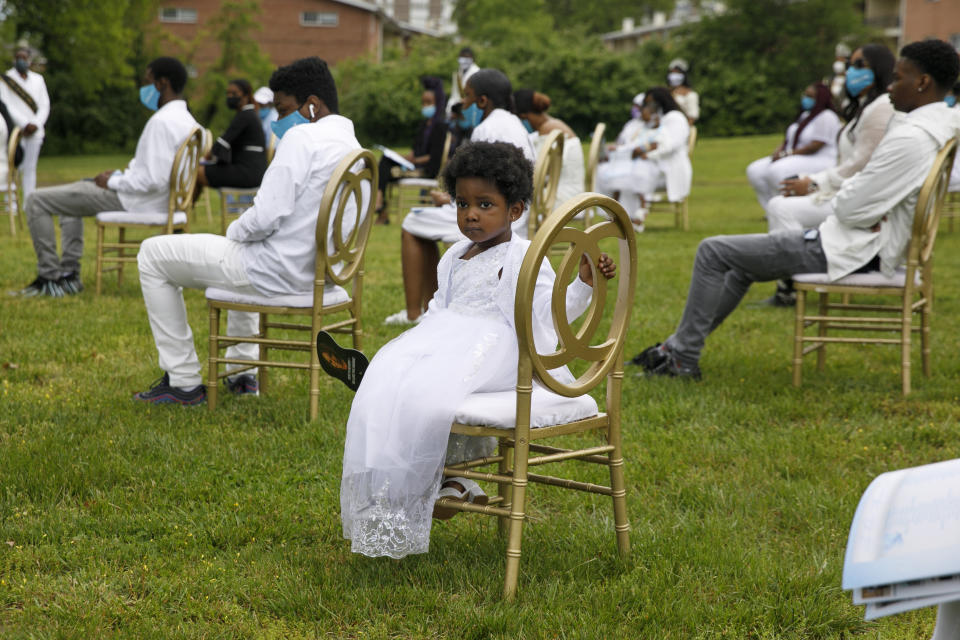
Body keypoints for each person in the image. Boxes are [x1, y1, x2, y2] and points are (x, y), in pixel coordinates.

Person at [340, 141, 617, 559]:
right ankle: (423, 487)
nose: (471, 214)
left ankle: (448, 479)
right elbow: (439, 309)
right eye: (463, 203)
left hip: (504, 349)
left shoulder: (523, 254)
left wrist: (583, 283)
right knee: (391, 381)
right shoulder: (453, 256)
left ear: (515, 210)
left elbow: (547, 314)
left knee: (434, 387)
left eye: (485, 204)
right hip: (452, 337)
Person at [629, 39, 960, 381]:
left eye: (899, 77)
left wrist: (844, 196)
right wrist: (850, 195)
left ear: (923, 82)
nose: (891, 85)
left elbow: (849, 210)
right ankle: (677, 349)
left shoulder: (911, 138)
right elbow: (864, 194)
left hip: (853, 249)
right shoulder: (936, 128)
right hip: (865, 243)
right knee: (742, 263)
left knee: (713, 251)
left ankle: (680, 357)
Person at [132, 57, 359, 405]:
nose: (278, 121)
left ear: (312, 106)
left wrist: (235, 231)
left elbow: (264, 216)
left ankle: (183, 383)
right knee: (239, 257)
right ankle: (242, 374)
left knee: (152, 254)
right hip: (322, 277)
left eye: (283, 110)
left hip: (276, 272)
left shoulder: (303, 138)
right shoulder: (355, 148)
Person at [14, 56, 197, 298]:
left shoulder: (161, 122)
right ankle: (69, 276)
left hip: (136, 201)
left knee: (37, 200)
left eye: (147, 81)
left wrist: (111, 182)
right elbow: (158, 173)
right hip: (155, 199)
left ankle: (50, 278)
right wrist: (119, 175)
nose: (144, 87)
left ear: (162, 83)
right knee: (76, 191)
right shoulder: (188, 120)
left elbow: (153, 180)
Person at [386, 68, 535, 326]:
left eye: (466, 97)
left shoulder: (486, 129)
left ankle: (414, 314)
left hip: (496, 221)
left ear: (482, 101)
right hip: (509, 214)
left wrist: (455, 201)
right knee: (423, 225)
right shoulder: (514, 124)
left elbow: (486, 188)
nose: (461, 104)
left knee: (412, 224)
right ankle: (433, 306)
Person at [762, 44, 896, 306]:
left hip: (864, 202)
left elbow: (862, 166)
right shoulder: (866, 106)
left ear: (879, 70)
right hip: (851, 192)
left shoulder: (881, 108)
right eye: (849, 66)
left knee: (782, 208)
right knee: (782, 198)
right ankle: (791, 281)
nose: (851, 72)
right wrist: (810, 180)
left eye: (859, 66)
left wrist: (813, 184)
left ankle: (791, 285)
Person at [745, 82, 841, 214]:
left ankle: (787, 208)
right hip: (794, 155)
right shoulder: (805, 116)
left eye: (811, 97)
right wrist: (779, 151)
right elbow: (790, 138)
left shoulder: (826, 116)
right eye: (805, 95)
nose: (806, 99)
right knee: (755, 170)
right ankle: (770, 210)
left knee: (776, 171)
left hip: (817, 158)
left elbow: (815, 145)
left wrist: (787, 154)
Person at [612, 88, 693, 231]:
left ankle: (636, 216)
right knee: (623, 171)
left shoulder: (675, 118)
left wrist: (647, 154)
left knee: (636, 171)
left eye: (650, 103)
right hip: (654, 163)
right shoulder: (656, 120)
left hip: (671, 168)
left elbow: (669, 146)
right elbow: (643, 140)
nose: (647, 107)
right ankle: (623, 216)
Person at [373, 76, 448, 224]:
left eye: (428, 103)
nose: (425, 106)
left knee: (384, 166)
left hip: (426, 169)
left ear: (437, 103)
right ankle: (380, 202)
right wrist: (401, 157)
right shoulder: (423, 125)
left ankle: (380, 205)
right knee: (385, 161)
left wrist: (415, 160)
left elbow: (434, 157)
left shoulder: (440, 127)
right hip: (414, 164)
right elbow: (415, 151)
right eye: (423, 103)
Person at [514, 88, 584, 206]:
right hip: (570, 191)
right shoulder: (553, 123)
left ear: (523, 116)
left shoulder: (548, 129)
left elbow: (539, 171)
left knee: (516, 202)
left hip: (563, 196)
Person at [0, 43, 50, 206]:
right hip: (15, 130)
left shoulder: (38, 79)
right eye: (18, 58)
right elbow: (6, 105)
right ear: (15, 59)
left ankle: (29, 202)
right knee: (12, 166)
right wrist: (24, 124)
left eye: (24, 58)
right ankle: (11, 202)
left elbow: (44, 105)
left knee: (30, 169)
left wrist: (35, 124)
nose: (21, 61)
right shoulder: (6, 79)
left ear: (29, 60)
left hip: (35, 131)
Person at [196, 79, 267, 192]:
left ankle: (184, 207)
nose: (230, 97)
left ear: (246, 96)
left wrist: (203, 159)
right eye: (228, 93)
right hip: (253, 172)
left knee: (196, 172)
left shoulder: (245, 115)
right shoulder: (249, 114)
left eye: (234, 94)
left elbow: (221, 143)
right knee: (200, 171)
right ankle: (186, 207)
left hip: (248, 173)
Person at [447, 47, 479, 116]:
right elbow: (454, 94)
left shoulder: (477, 72)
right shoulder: (457, 73)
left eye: (467, 58)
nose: (464, 60)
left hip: (472, 110)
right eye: (462, 57)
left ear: (472, 59)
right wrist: (450, 110)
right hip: (457, 111)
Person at [667, 58, 700, 124]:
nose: (674, 75)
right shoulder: (666, 92)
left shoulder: (691, 95)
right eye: (672, 72)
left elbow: (691, 119)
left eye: (677, 72)